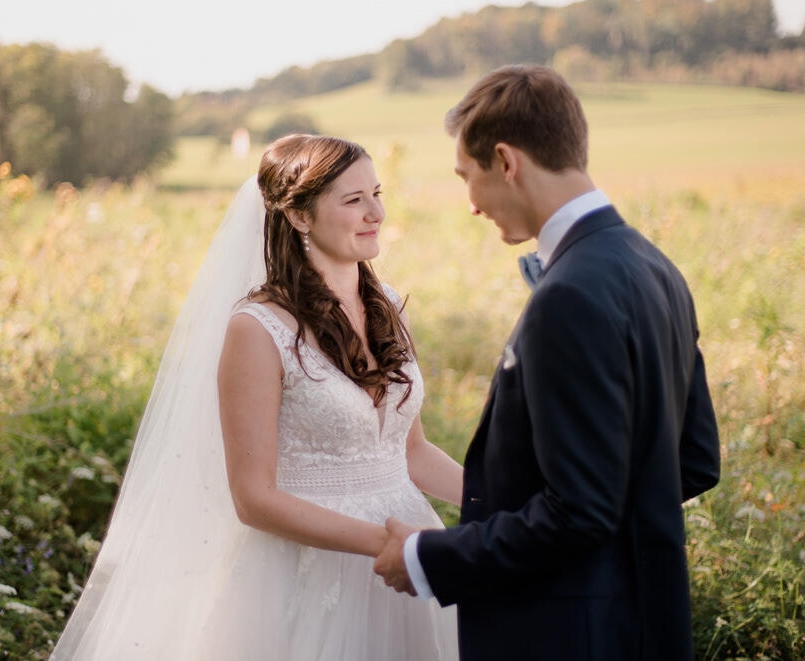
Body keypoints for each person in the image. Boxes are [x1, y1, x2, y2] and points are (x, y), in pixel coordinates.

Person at [51, 134, 462, 660]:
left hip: (407, 558)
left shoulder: (386, 310)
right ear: (300, 217)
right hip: (312, 572)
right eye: (353, 200)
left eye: (376, 193)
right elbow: (254, 499)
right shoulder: (258, 329)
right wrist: (390, 546)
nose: (376, 212)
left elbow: (410, 452)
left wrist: (497, 504)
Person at [373, 64, 721, 660]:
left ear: (506, 162)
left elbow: (581, 510)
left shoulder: (570, 295)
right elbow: (693, 460)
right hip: (643, 621)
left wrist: (429, 555)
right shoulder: (655, 265)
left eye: (468, 177)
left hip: (569, 635)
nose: (473, 206)